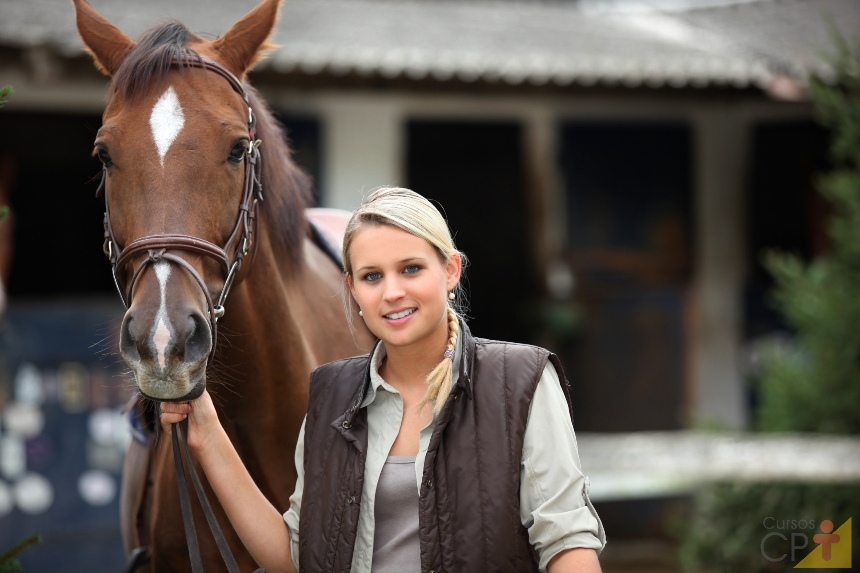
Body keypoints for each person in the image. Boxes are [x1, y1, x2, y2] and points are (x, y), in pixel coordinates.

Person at [161, 187, 606, 573]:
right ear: (353, 290)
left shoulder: (520, 382)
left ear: (450, 271)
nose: (392, 292)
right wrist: (206, 433)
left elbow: (567, 541)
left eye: (411, 268)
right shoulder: (331, 395)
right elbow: (294, 558)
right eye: (372, 276)